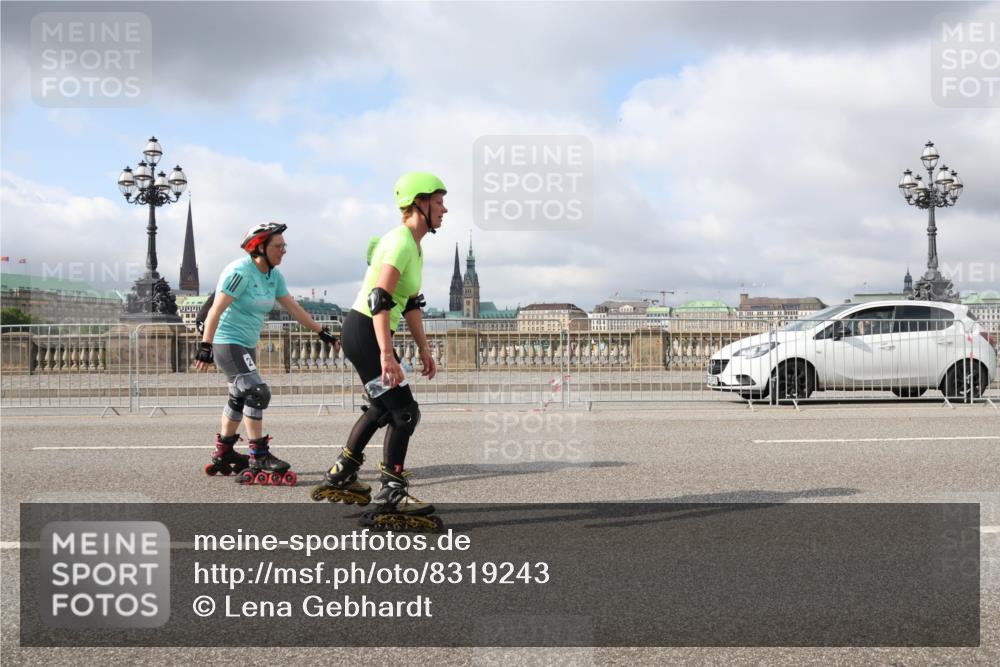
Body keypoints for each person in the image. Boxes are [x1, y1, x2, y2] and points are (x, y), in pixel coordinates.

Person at [311, 172, 444, 531]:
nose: (444, 209)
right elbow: (380, 299)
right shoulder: (401, 241)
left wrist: (424, 349)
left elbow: (411, 302)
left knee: (381, 408)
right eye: (438, 201)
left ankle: (342, 473)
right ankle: (392, 493)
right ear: (419, 203)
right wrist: (387, 355)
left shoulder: (416, 245)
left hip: (366, 331)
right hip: (366, 330)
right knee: (404, 413)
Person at [195, 222, 339, 486]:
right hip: (227, 341)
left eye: (285, 245)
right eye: (278, 246)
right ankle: (258, 454)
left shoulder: (274, 276)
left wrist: (323, 332)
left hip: (246, 342)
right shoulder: (240, 272)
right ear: (259, 248)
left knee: (239, 395)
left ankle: (224, 451)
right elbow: (215, 310)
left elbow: (293, 309)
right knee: (256, 392)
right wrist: (205, 346)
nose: (283, 250)